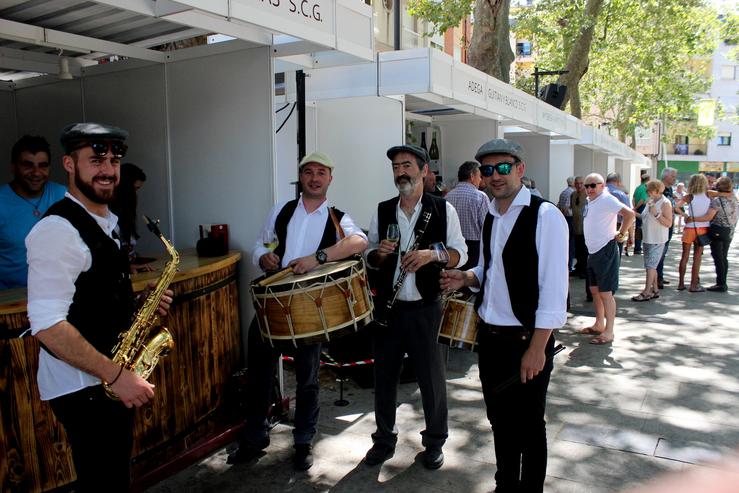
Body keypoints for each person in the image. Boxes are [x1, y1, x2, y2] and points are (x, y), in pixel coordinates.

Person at [26, 123, 173, 492]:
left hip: (104, 378)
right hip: (85, 387)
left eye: (113, 160)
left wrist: (140, 306)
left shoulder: (107, 221)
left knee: (113, 478)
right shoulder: (57, 230)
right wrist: (117, 376)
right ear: (69, 164)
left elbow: (91, 297)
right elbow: (46, 326)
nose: (108, 169)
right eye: (95, 159)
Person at [440, 138, 568, 493]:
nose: (496, 176)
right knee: (499, 420)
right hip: (491, 338)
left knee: (529, 426)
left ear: (520, 170)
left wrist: (538, 348)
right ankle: (505, 484)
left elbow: (555, 291)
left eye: (504, 168)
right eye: (488, 170)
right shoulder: (491, 214)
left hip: (526, 340)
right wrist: (466, 276)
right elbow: (490, 269)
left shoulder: (545, 215)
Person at [228, 151, 368, 471]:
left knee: (307, 380)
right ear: (300, 177)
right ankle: (254, 437)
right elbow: (261, 245)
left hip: (309, 308)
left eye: (321, 172)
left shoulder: (337, 217)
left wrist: (318, 257)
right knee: (259, 374)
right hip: (273, 305)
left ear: (330, 178)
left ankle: (304, 440)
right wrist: (263, 258)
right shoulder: (282, 209)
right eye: (309, 172)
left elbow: (359, 241)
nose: (314, 178)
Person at [364, 143, 466, 470]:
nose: (401, 172)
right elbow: (369, 256)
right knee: (384, 378)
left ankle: (435, 442)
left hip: (426, 308)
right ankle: (383, 439)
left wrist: (430, 255)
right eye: (395, 167)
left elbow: (458, 253)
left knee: (432, 380)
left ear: (423, 170)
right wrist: (378, 253)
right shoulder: (382, 209)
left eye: (407, 165)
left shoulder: (442, 208)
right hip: (389, 309)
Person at [0, 135, 66, 289]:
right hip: (12, 303)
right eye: (27, 165)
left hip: (59, 297)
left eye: (43, 165)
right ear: (13, 167)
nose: (36, 172)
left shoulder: (63, 196)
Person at [578, 173, 634, 345]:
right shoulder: (591, 200)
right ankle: (599, 324)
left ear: (602, 186)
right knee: (594, 290)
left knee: (605, 293)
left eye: (593, 185)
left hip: (605, 250)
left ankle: (609, 331)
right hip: (593, 251)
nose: (589, 189)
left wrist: (622, 233)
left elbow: (629, 214)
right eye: (586, 186)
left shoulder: (607, 199)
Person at [686, 176, 737, 293]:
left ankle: (721, 284)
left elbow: (708, 217)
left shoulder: (717, 201)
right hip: (729, 231)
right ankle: (722, 282)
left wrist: (692, 218)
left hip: (718, 231)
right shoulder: (733, 198)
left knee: (718, 257)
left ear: (718, 186)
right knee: (724, 257)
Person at [631, 180, 672, 302]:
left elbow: (668, 223)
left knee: (651, 266)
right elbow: (644, 217)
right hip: (648, 238)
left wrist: (657, 214)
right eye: (647, 190)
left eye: (650, 190)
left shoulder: (665, 203)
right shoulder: (651, 201)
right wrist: (632, 213)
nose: (648, 192)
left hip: (657, 239)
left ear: (657, 191)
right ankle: (654, 290)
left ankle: (646, 292)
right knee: (650, 266)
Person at [444, 161, 488, 270]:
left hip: (452, 248)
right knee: (472, 281)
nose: (480, 180)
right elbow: (486, 227)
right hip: (474, 248)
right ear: (472, 176)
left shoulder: (447, 196)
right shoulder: (480, 196)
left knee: (454, 281)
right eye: (479, 176)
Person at [110, 163, 151, 272]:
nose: (136, 195)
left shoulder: (124, 212)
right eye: (135, 189)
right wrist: (127, 266)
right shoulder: (108, 213)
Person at [675, 174, 710, 292]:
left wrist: (685, 215)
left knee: (684, 256)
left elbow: (676, 207)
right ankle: (694, 285)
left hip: (689, 228)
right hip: (703, 229)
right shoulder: (708, 194)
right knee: (697, 258)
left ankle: (681, 283)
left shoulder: (689, 196)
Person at [656, 167, 678, 289]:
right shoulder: (659, 188)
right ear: (666, 176)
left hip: (669, 224)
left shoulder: (669, 189)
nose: (675, 179)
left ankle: (660, 276)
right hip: (661, 225)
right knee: (659, 252)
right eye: (673, 176)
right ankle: (657, 278)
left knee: (663, 253)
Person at [606, 173, 632, 256]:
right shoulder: (621, 195)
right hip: (618, 228)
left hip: (600, 226)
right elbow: (630, 215)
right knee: (615, 256)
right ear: (618, 182)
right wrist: (631, 236)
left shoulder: (598, 193)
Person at [570, 176, 588, 279]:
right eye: (577, 183)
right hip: (576, 226)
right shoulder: (573, 194)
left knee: (584, 250)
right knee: (578, 249)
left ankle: (584, 270)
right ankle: (579, 268)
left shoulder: (587, 195)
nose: (579, 185)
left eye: (581, 183)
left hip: (584, 227)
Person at [557, 177, 576, 272]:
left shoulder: (563, 192)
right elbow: (565, 208)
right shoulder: (572, 193)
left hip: (564, 218)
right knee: (571, 244)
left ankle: (566, 265)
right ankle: (569, 266)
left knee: (566, 243)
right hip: (570, 219)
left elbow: (559, 205)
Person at [632, 174, 650, 255]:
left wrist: (634, 207)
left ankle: (637, 247)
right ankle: (639, 247)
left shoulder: (638, 187)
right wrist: (637, 207)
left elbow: (633, 198)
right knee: (643, 228)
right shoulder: (646, 188)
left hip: (637, 207)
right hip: (642, 207)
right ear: (648, 179)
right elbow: (643, 200)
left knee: (637, 227)